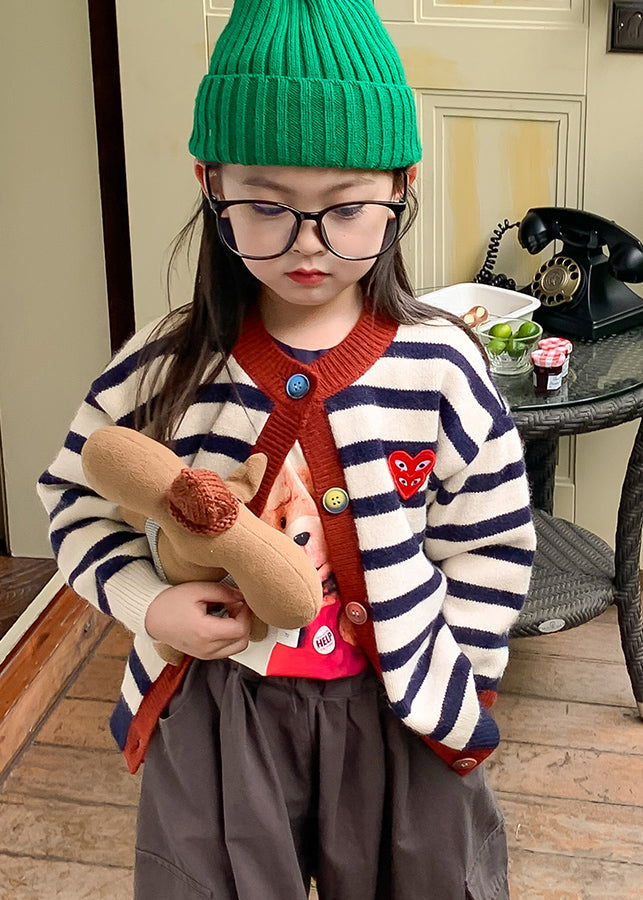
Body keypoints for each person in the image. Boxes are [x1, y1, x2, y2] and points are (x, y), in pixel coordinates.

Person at [38, 0, 536, 896]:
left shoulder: (442, 366)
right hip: (217, 706)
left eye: (346, 208)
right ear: (209, 182)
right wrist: (152, 606)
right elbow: (76, 497)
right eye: (266, 206)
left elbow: (490, 542)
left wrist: (456, 674)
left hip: (397, 708)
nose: (309, 245)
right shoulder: (165, 363)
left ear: (401, 186)